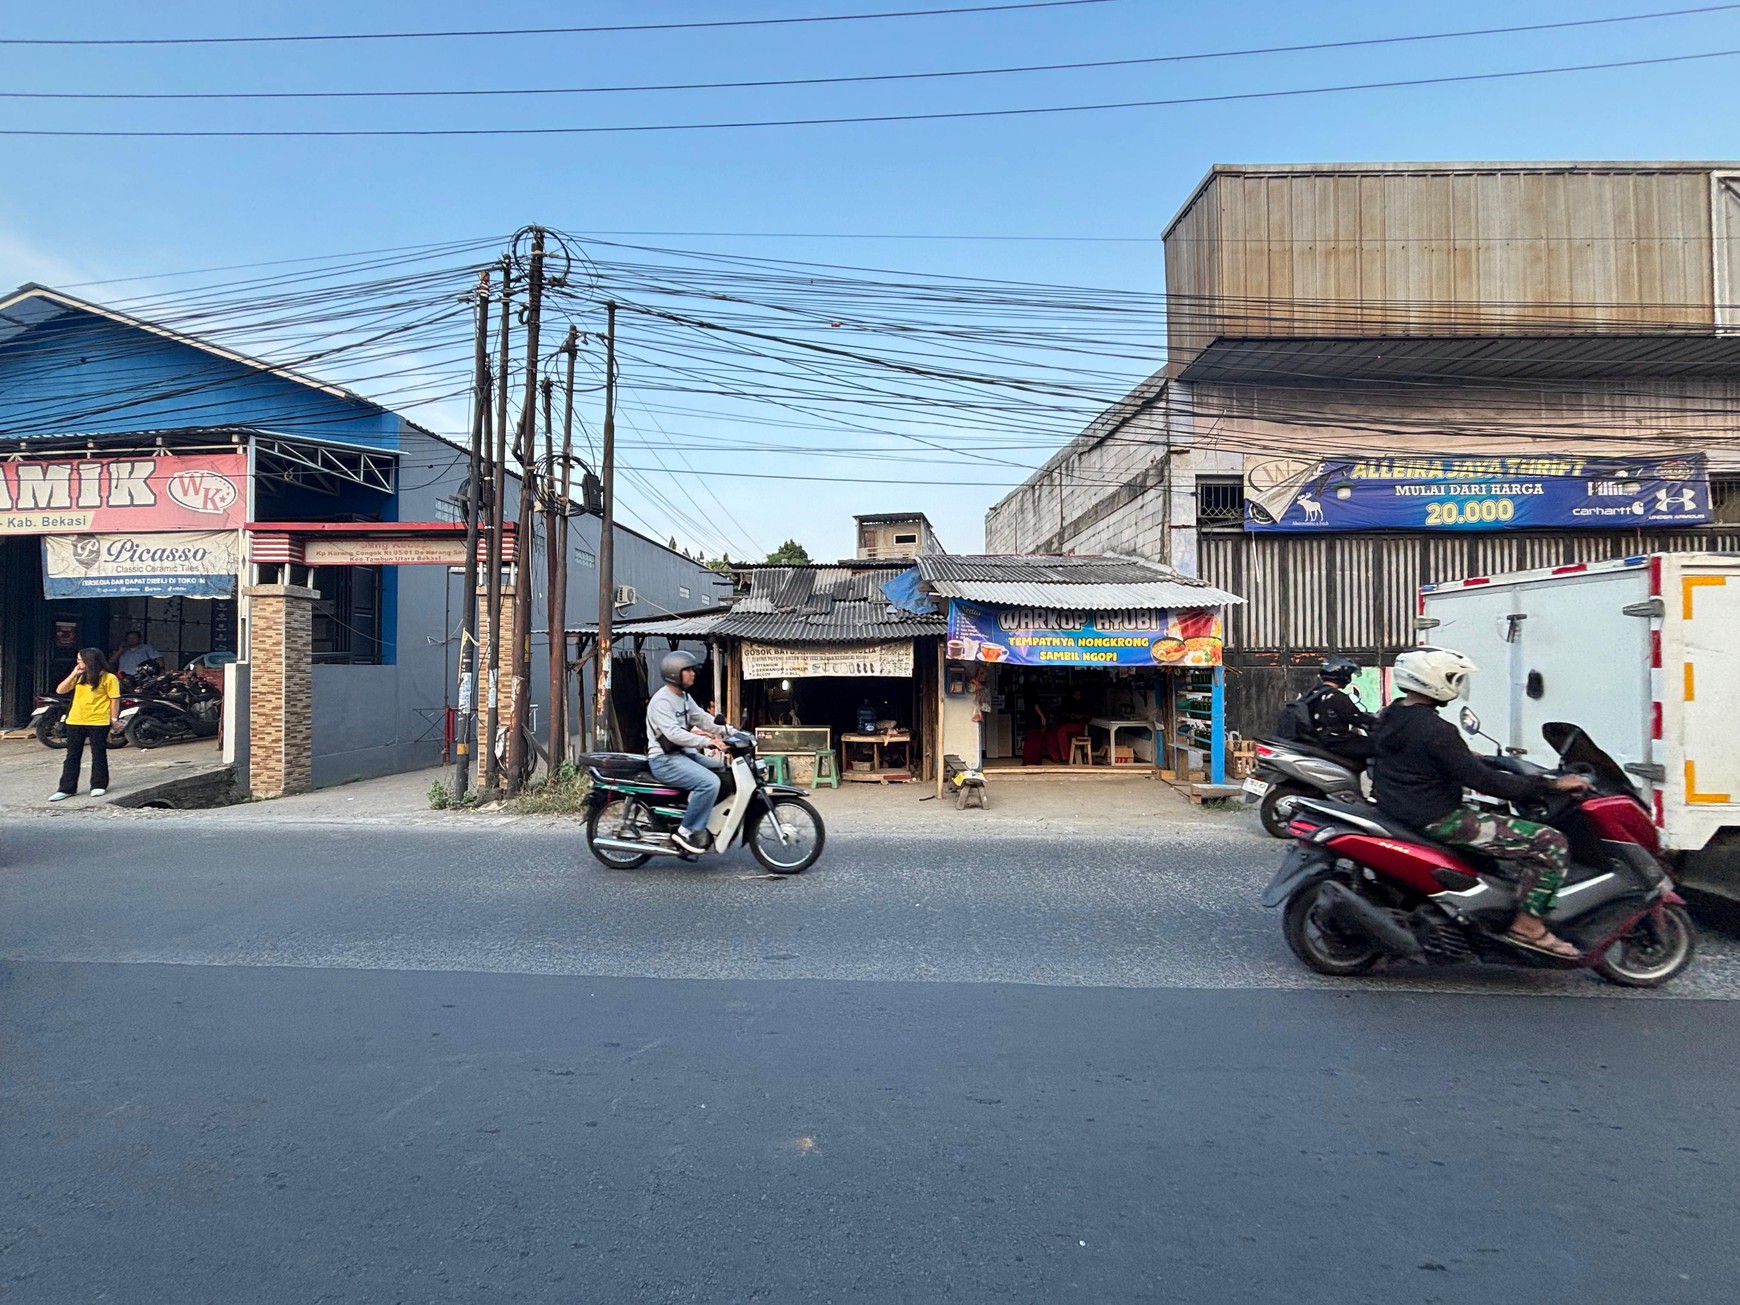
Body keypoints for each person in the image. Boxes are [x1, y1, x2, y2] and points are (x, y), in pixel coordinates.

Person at [1371, 646, 1592, 959]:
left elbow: (1420, 758)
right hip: (1438, 818)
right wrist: (1550, 784)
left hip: (1400, 808)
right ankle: (1529, 926)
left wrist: (1467, 757)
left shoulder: (1391, 715)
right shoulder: (1437, 730)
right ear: (1432, 680)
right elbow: (1486, 782)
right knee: (1549, 841)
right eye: (1453, 678)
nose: (1458, 685)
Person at [645, 650, 730, 855]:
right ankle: (686, 831)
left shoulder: (684, 697)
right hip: (664, 759)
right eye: (688, 670)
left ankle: (702, 816)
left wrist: (733, 733)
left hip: (683, 755)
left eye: (693, 670)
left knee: (724, 771)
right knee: (709, 782)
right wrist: (707, 742)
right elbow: (674, 734)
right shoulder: (661, 702)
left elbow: (703, 719)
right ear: (675, 674)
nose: (693, 674)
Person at [52, 647, 122, 802]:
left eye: (80, 659)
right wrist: (73, 674)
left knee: (98, 754)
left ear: (90, 660)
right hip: (75, 720)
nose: (77, 662)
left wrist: (114, 719)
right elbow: (60, 690)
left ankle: (99, 785)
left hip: (98, 720)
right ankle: (66, 788)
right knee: (72, 756)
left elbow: (114, 700)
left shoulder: (109, 678)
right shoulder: (79, 676)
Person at [1297, 656, 1376, 770]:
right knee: (1378, 746)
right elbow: (1358, 719)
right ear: (1343, 675)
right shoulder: (1337, 697)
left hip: (1316, 740)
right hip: (1334, 741)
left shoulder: (1312, 694)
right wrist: (1379, 723)